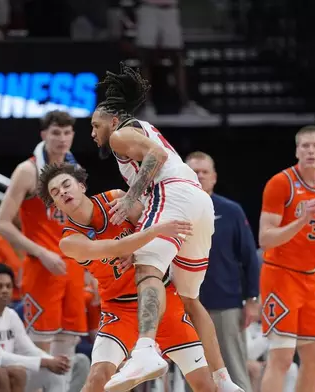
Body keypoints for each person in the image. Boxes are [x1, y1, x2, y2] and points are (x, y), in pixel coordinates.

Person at [91, 62, 240, 391]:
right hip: (198, 202)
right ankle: (223, 379)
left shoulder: (120, 134)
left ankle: (144, 349)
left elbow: (155, 157)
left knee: (147, 272)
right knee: (189, 297)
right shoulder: (141, 128)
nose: (93, 133)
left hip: (172, 193)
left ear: (113, 120)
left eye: (95, 124)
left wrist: (130, 197)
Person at [37, 163, 216, 392]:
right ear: (55, 205)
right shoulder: (69, 241)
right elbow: (116, 247)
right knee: (98, 379)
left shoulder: (116, 198)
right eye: (55, 192)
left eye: (66, 184)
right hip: (119, 309)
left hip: (159, 296)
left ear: (81, 186)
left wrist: (137, 250)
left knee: (203, 383)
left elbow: (148, 223)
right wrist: (153, 233)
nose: (62, 192)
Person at [0, 111, 87, 388]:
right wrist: (40, 252)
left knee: (68, 344)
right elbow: (2, 223)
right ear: (44, 134)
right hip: (41, 267)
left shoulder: (75, 169)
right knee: (38, 348)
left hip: (71, 268)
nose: (62, 138)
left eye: (67, 132)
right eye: (56, 132)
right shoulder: (28, 170)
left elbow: (80, 221)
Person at [258, 125, 315, 392]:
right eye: (305, 146)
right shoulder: (280, 183)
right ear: (297, 151)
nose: (310, 150)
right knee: (282, 358)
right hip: (280, 275)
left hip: (310, 278)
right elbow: (265, 238)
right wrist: (302, 219)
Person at [187, 151, 259, 392]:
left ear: (214, 177)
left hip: (226, 304)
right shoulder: (174, 210)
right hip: (187, 305)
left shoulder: (231, 211)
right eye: (194, 172)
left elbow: (250, 257)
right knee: (194, 373)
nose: (199, 176)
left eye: (204, 172)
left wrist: (252, 300)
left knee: (234, 369)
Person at [0, 263, 68, 392]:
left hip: (13, 370)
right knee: (16, 373)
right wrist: (45, 362)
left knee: (55, 374)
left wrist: (55, 362)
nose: (5, 290)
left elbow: (28, 349)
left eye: (8, 286)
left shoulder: (11, 314)